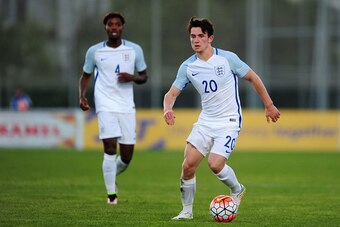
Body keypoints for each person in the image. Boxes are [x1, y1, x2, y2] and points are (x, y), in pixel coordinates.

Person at [163, 17, 280, 220]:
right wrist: (167, 109)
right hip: (206, 121)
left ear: (210, 38)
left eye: (201, 36)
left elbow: (253, 77)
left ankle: (238, 189)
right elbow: (171, 93)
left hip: (229, 121)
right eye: (193, 36)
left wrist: (268, 105)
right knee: (188, 165)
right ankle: (186, 211)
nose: (196, 40)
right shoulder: (188, 67)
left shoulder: (227, 59)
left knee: (215, 164)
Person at [79, 12, 148, 205]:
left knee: (126, 157)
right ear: (106, 27)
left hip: (126, 106)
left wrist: (132, 77)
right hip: (105, 104)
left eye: (117, 24)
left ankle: (111, 176)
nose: (114, 27)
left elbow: (144, 76)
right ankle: (112, 196)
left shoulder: (134, 50)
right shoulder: (94, 51)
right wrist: (82, 97)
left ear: (123, 27)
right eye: (110, 24)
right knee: (110, 148)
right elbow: (85, 76)